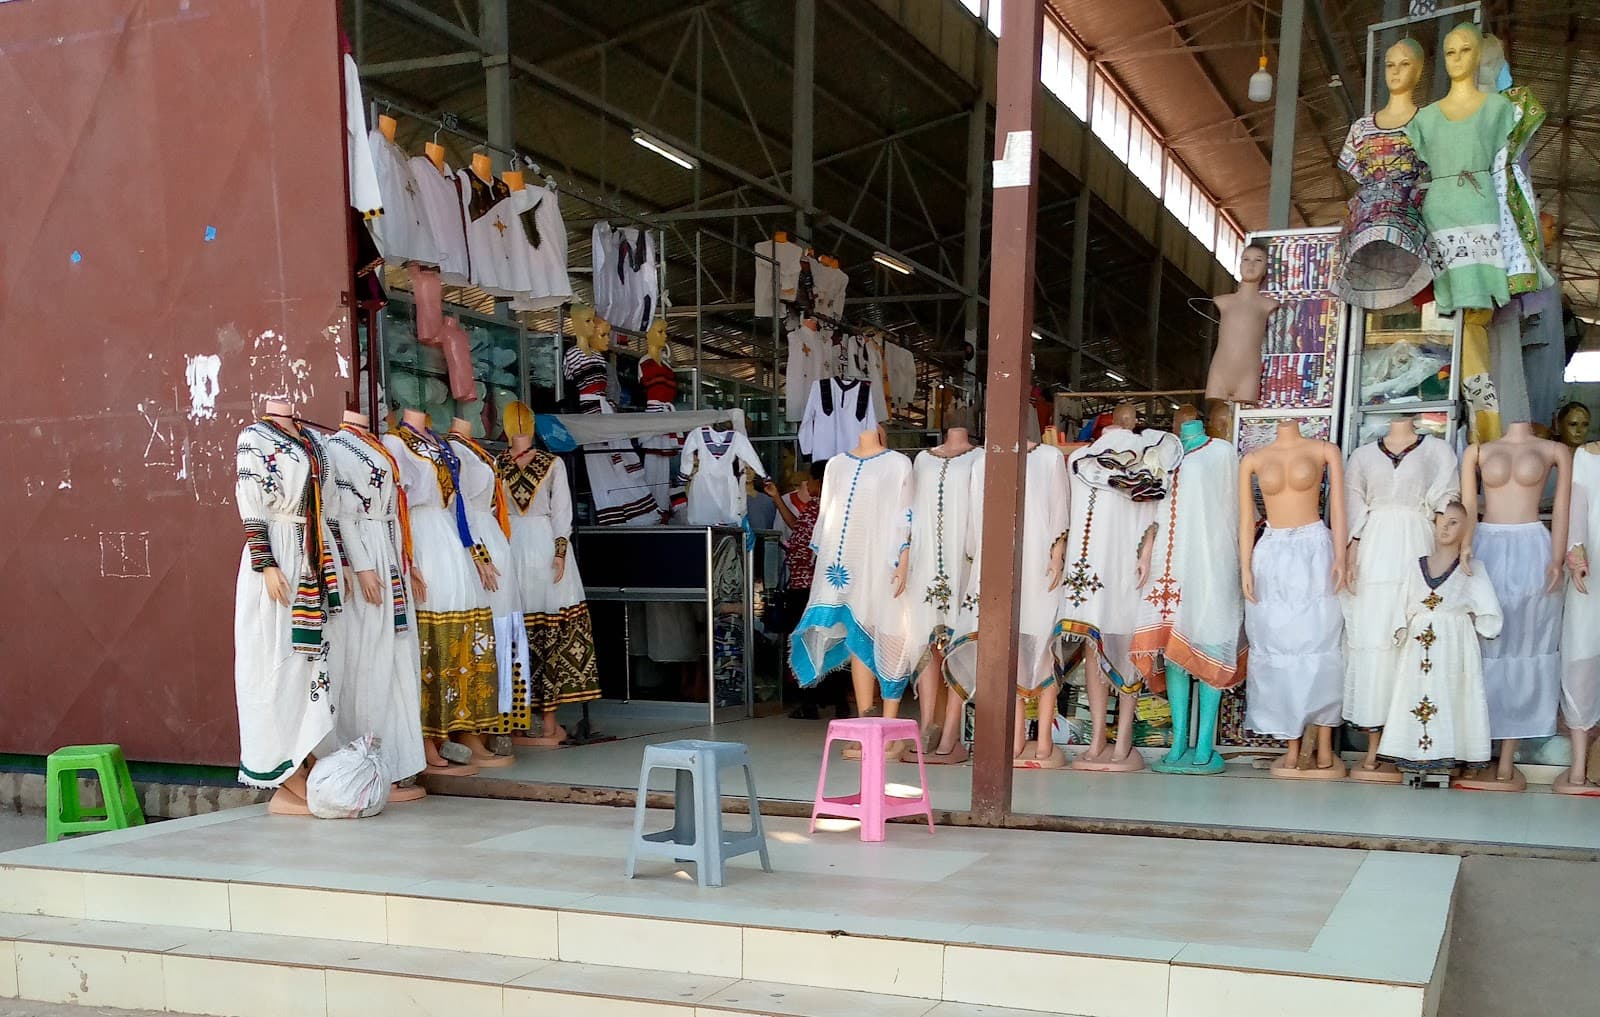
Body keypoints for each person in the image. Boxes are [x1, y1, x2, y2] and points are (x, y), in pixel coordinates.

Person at [764, 462, 848, 718]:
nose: (806, 486)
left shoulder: (818, 507)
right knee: (833, 641)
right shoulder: (839, 507)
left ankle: (809, 703)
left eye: (809, 481)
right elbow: (799, 526)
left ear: (820, 482)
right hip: (832, 588)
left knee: (807, 643)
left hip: (806, 588)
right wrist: (778, 499)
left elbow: (802, 544)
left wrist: (792, 552)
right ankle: (840, 702)